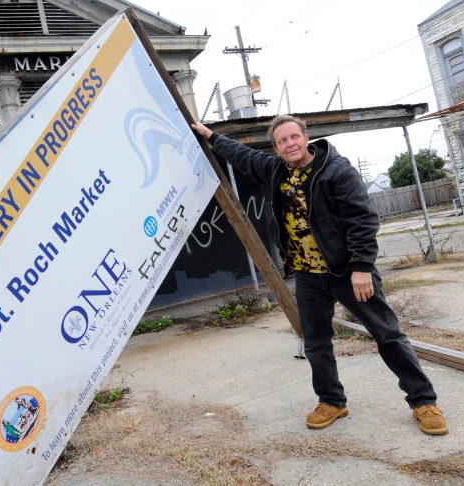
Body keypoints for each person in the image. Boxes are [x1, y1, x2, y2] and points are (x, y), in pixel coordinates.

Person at [190, 115, 448, 435]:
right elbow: (243, 156)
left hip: (346, 272)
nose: (290, 144)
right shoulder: (275, 169)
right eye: (282, 141)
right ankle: (332, 401)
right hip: (308, 275)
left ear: (306, 137)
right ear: (276, 147)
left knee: (387, 334)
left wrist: (362, 268)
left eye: (294, 137)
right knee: (315, 342)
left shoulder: (336, 171)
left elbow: (362, 220)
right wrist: (210, 136)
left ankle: (423, 400)